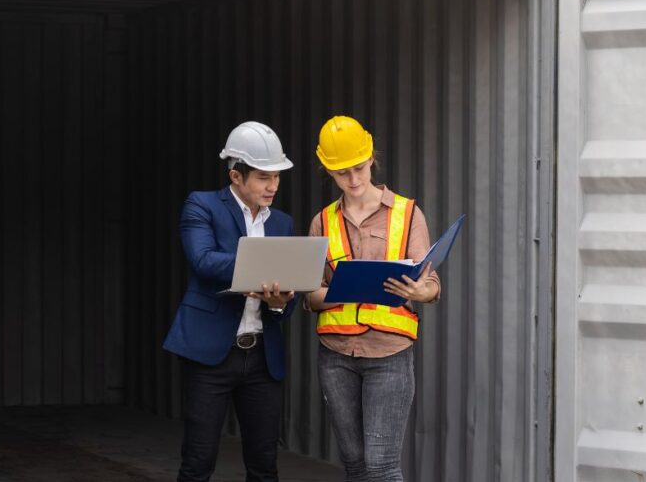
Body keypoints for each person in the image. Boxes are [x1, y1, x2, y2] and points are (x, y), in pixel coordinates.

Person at [304, 115, 441, 482]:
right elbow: (310, 295)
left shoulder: (408, 214)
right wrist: (339, 291)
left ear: (372, 159)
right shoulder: (322, 222)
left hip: (389, 356)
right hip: (336, 357)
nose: (353, 179)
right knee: (356, 467)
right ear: (329, 172)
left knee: (381, 467)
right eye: (342, 173)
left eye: (359, 168)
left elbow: (431, 284)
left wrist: (419, 291)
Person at [163, 121, 298, 482]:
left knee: (264, 466)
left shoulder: (282, 223)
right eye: (263, 177)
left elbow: (287, 299)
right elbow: (203, 261)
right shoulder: (202, 204)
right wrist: (261, 267)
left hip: (262, 359)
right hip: (211, 356)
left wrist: (280, 301)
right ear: (235, 176)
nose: (273, 187)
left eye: (277, 177)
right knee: (198, 463)